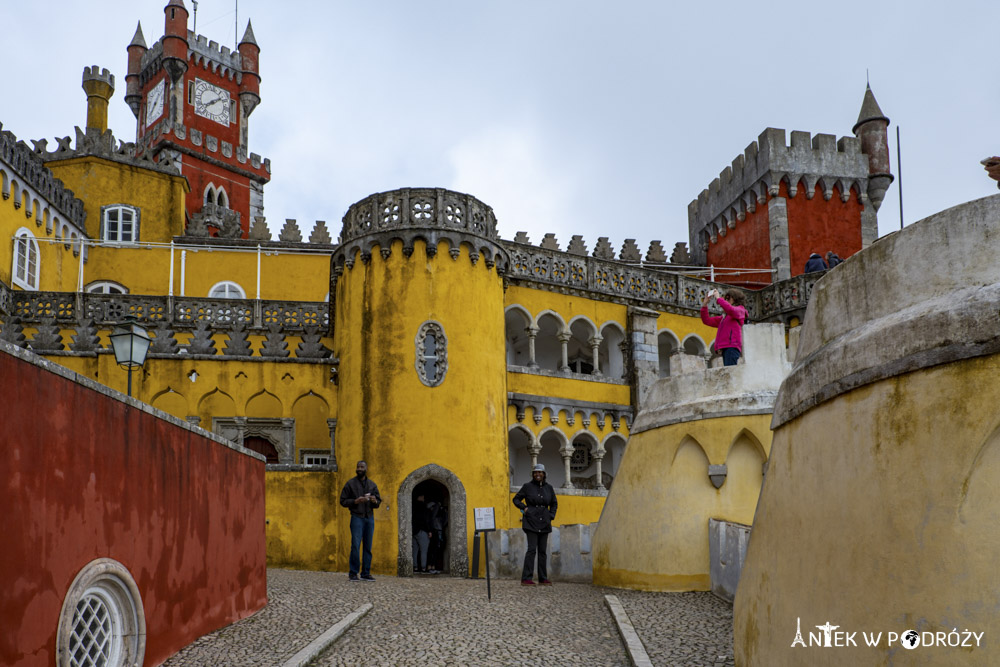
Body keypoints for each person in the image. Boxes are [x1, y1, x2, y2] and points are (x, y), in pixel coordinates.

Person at [513, 463, 558, 586]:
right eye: (535, 472)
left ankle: (543, 578)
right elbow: (516, 499)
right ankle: (526, 578)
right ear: (533, 474)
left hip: (544, 522)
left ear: (544, 474)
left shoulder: (549, 488)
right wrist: (524, 508)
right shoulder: (527, 487)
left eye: (540, 472)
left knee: (542, 551)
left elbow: (554, 503)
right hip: (531, 522)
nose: (538, 474)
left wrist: (551, 515)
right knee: (532, 550)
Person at [339, 460, 381, 582]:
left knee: (368, 547)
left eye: (362, 467)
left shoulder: (372, 485)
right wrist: (355, 501)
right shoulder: (350, 484)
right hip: (356, 517)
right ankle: (353, 573)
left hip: (369, 518)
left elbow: (378, 502)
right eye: (358, 467)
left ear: (366, 469)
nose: (359, 469)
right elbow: (343, 501)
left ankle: (366, 573)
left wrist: (374, 501)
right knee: (355, 546)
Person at [700, 288, 748, 367]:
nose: (726, 300)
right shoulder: (724, 318)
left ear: (735, 299)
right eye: (726, 299)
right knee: (728, 371)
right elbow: (706, 320)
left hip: (732, 346)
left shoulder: (741, 310)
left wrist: (719, 299)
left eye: (728, 298)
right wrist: (705, 304)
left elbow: (731, 310)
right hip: (726, 347)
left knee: (730, 372)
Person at [412, 493, 431, 574]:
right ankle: (423, 568)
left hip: (413, 531)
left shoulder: (412, 506)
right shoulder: (424, 507)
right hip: (422, 530)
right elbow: (426, 520)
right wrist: (429, 530)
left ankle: (415, 567)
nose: (424, 498)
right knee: (423, 550)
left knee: (414, 550)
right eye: (422, 496)